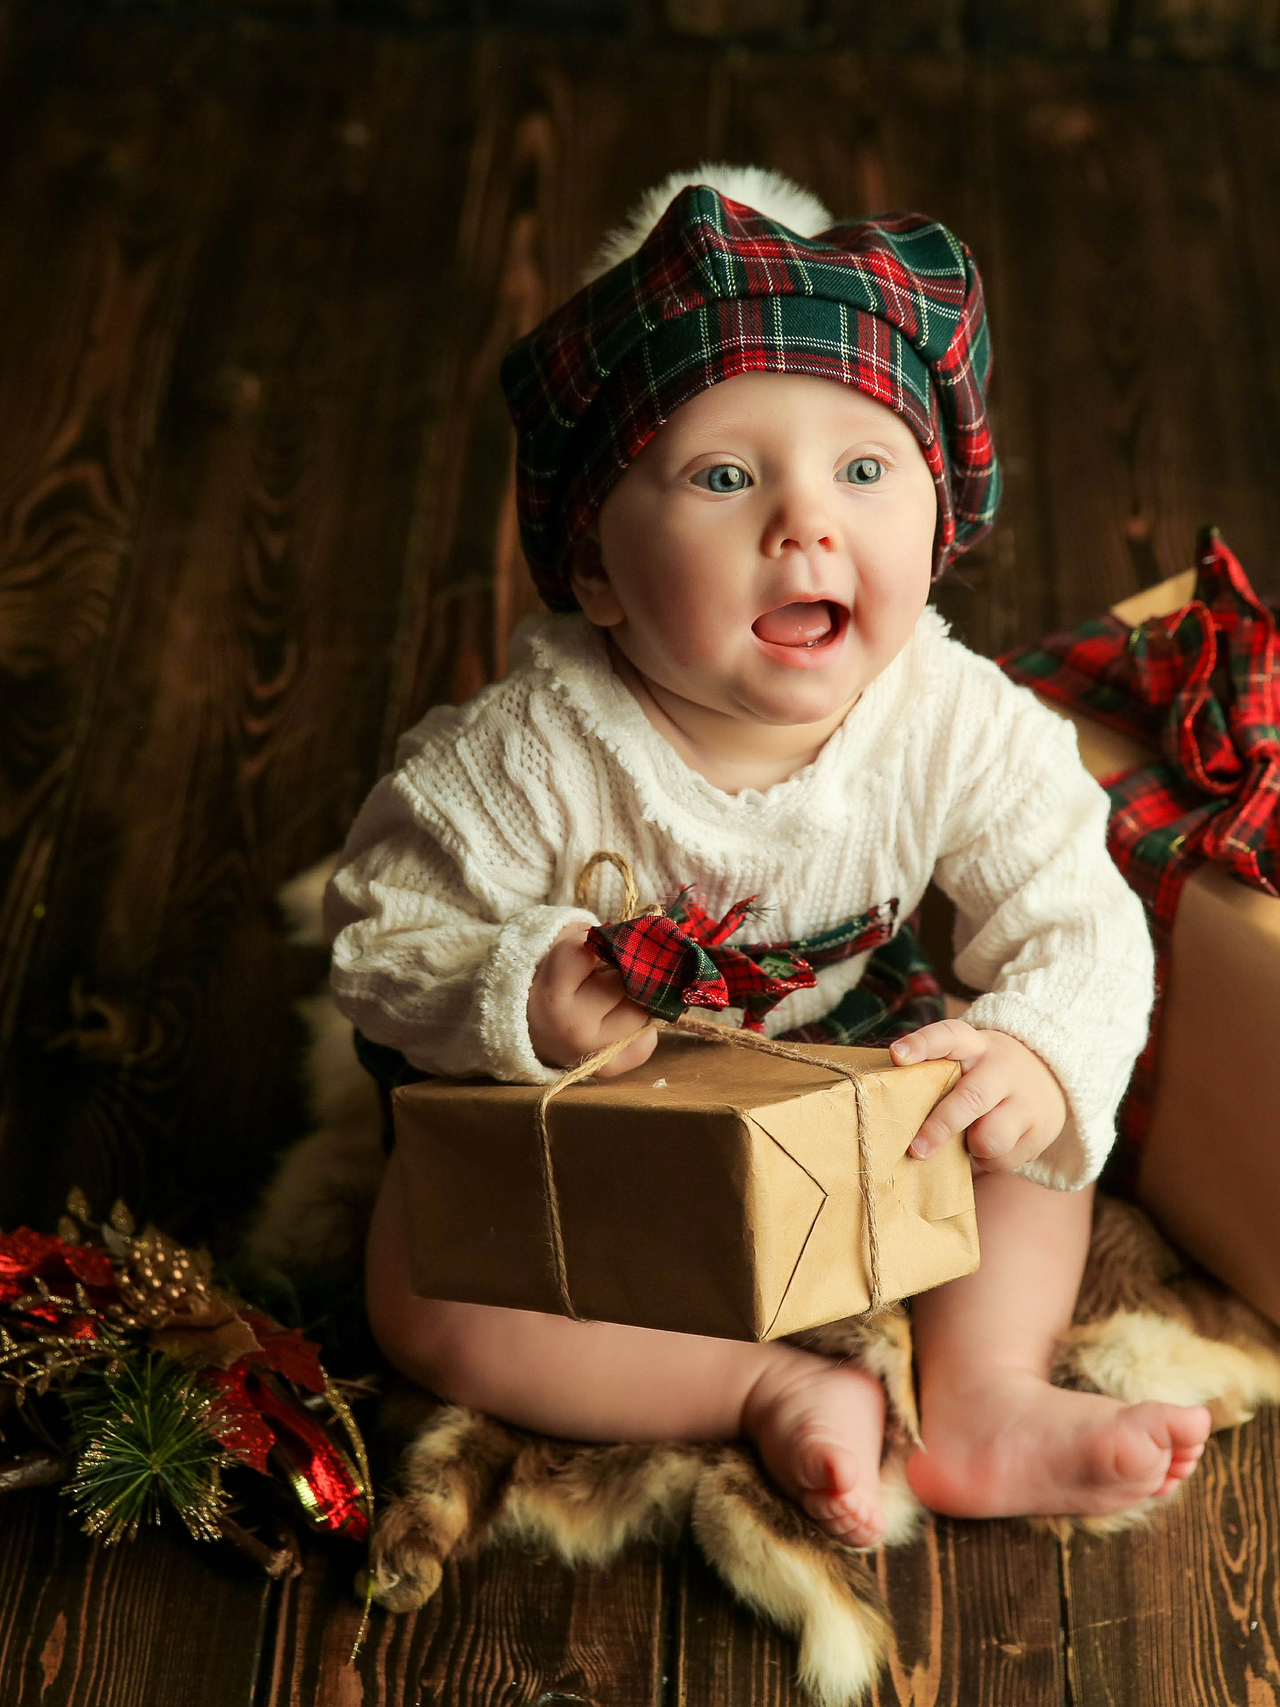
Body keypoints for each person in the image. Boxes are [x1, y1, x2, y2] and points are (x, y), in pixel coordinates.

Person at [326, 167, 1210, 1548]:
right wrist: (524, 995)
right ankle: (762, 1385)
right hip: (605, 1104)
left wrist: (1034, 1052)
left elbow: (1078, 918)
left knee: (1028, 1146)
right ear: (601, 570)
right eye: (725, 477)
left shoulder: (955, 719)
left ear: (936, 520)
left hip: (849, 1060)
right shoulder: (530, 752)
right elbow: (380, 935)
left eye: (864, 472)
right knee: (426, 1296)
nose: (807, 523)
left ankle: (982, 1398)